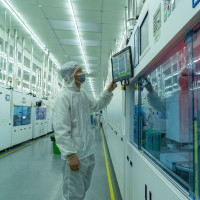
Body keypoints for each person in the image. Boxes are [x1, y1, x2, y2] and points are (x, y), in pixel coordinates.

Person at [53, 62, 117, 200]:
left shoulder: (82, 93)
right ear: (70, 76)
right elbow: (61, 130)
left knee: (83, 189)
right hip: (75, 155)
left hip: (88, 153)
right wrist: (70, 155)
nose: (83, 73)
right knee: (73, 195)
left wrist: (108, 91)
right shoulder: (63, 97)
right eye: (79, 70)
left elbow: (97, 105)